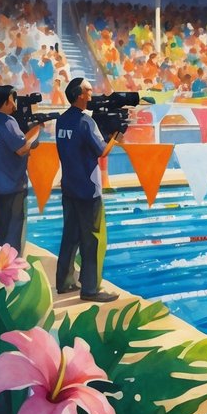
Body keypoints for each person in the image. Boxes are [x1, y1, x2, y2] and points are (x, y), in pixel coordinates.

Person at [55, 78, 121, 302]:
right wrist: (115, 137)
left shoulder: (61, 121)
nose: (92, 95)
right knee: (93, 240)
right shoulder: (86, 122)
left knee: (70, 236)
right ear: (79, 94)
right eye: (89, 91)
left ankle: (64, 282)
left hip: (69, 187)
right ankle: (90, 289)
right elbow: (101, 151)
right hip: (88, 190)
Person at [0, 86, 42, 250]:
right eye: (13, 99)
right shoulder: (9, 122)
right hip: (13, 187)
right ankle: (14, 271)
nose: (15, 103)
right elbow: (21, 149)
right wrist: (36, 132)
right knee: (14, 234)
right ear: (7, 101)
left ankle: (1, 269)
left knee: (3, 230)